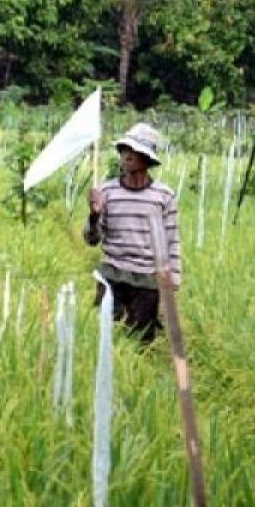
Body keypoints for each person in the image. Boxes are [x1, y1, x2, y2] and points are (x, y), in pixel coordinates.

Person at [83, 122, 180, 344]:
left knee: (141, 344)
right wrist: (94, 215)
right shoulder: (106, 191)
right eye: (124, 149)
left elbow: (171, 242)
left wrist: (170, 285)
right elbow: (91, 239)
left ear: (147, 159)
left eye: (134, 150)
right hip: (112, 274)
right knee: (103, 338)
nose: (127, 155)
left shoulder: (163, 196)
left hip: (146, 280)